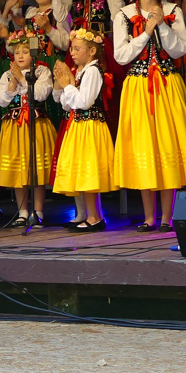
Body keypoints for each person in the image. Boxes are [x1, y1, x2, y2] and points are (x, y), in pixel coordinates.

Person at [114, 0, 186, 232]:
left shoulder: (172, 10)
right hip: (138, 85)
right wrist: (145, 32)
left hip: (166, 83)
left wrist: (162, 25)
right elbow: (121, 55)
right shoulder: (124, 14)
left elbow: (179, 49)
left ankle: (167, 217)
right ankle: (148, 217)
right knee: (145, 148)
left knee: (166, 146)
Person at [52, 29, 118, 231]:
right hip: (80, 125)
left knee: (88, 174)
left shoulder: (92, 71)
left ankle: (94, 218)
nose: (72, 52)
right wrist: (67, 85)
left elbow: (84, 101)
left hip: (90, 126)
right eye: (71, 49)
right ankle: (93, 215)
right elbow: (65, 104)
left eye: (77, 49)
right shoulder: (81, 71)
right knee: (83, 173)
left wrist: (69, 87)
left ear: (91, 51)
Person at [58, 0, 125, 137]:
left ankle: (104, 134)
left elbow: (116, 16)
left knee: (106, 92)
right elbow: (61, 16)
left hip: (101, 46)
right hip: (78, 48)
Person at [0, 29, 56, 227]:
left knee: (35, 168)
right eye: (17, 52)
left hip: (35, 124)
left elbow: (39, 94)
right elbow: (2, 101)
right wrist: (13, 81)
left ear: (34, 53)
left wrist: (22, 79)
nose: (20, 56)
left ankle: (38, 211)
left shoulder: (41, 71)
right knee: (18, 170)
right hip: (14, 126)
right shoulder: (7, 74)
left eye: (25, 52)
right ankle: (22, 211)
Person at [24, 0, 71, 125]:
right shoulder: (30, 13)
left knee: (53, 107)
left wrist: (49, 29)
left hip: (52, 62)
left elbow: (65, 43)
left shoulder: (59, 14)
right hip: (34, 65)